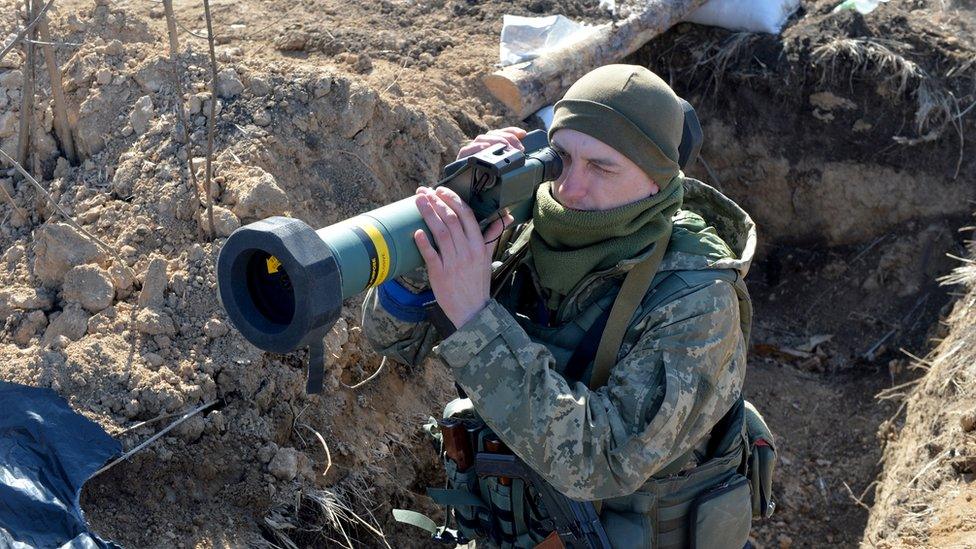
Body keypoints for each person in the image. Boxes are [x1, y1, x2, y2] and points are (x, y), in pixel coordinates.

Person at [361, 64, 774, 548]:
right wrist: (446, 225)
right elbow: (391, 339)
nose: (570, 189)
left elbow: (601, 460)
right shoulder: (519, 230)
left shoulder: (698, 299)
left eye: (602, 167)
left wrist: (475, 319)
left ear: (657, 181)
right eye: (562, 160)